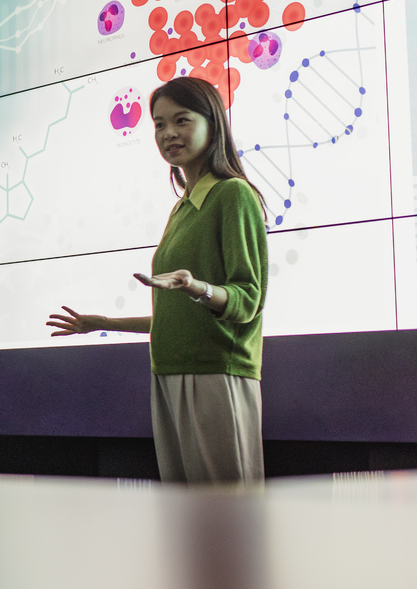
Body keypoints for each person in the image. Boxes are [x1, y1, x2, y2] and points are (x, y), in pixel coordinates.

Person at [46, 76, 268, 484]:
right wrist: (104, 324)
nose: (168, 134)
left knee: (228, 519)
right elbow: (179, 317)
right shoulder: (183, 207)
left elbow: (248, 298)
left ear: (213, 123)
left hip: (216, 373)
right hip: (168, 372)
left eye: (181, 120)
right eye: (159, 124)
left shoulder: (233, 195)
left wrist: (197, 287)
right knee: (187, 518)